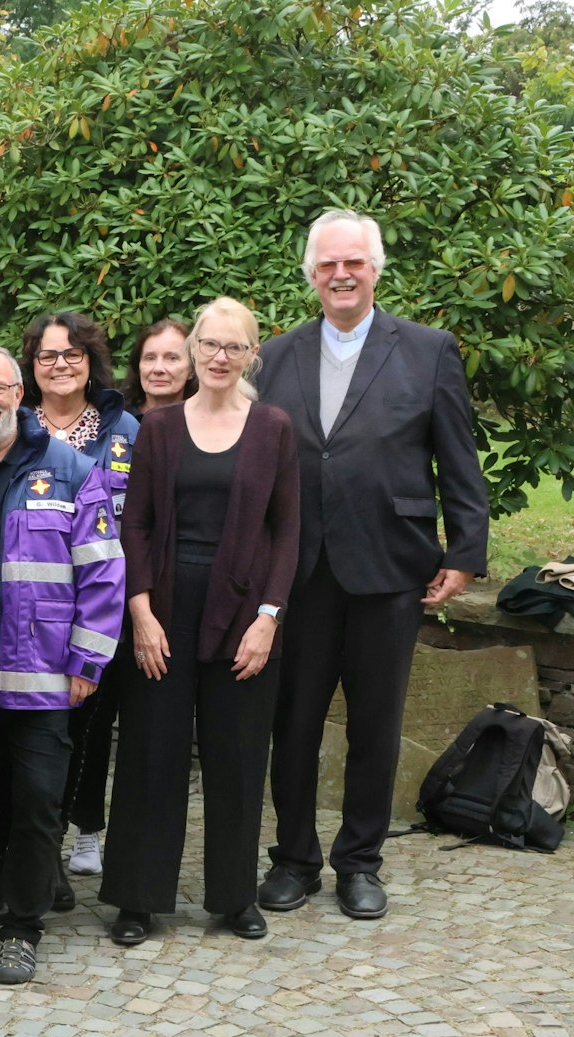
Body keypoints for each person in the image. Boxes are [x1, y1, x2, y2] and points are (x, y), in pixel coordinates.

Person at [255, 209, 488, 920]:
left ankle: (360, 861)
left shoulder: (427, 349)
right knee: (291, 725)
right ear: (311, 275)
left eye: (353, 262)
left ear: (376, 269)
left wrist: (467, 549)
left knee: (375, 726)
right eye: (327, 264)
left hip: (390, 565)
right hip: (299, 571)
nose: (341, 274)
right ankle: (294, 858)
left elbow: (458, 456)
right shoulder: (276, 356)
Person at [102, 297, 299, 945]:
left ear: (252, 354)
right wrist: (141, 612)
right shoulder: (158, 429)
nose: (218, 357)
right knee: (150, 752)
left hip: (243, 607)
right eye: (208, 345)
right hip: (165, 605)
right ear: (193, 354)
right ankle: (138, 896)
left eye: (232, 347)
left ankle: (234, 896)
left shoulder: (273, 428)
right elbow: (136, 524)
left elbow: (287, 531)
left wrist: (269, 618)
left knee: (238, 754)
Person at [0, 345, 123, 986]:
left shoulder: (68, 468)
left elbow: (103, 569)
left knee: (38, 799)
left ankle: (23, 924)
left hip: (41, 670)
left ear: (20, 393)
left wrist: (88, 657)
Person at [20, 311, 139, 886]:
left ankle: (79, 830)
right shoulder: (15, 430)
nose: (60, 365)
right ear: (32, 367)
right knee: (34, 735)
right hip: (25, 613)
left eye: (72, 354)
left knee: (88, 725)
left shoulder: (126, 433)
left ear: (90, 363)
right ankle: (32, 853)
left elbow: (143, 523)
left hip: (100, 608)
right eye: (48, 356)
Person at [123, 319, 196, 415]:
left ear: (191, 370)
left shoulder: (205, 425)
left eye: (172, 358)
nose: (158, 369)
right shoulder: (115, 420)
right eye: (150, 358)